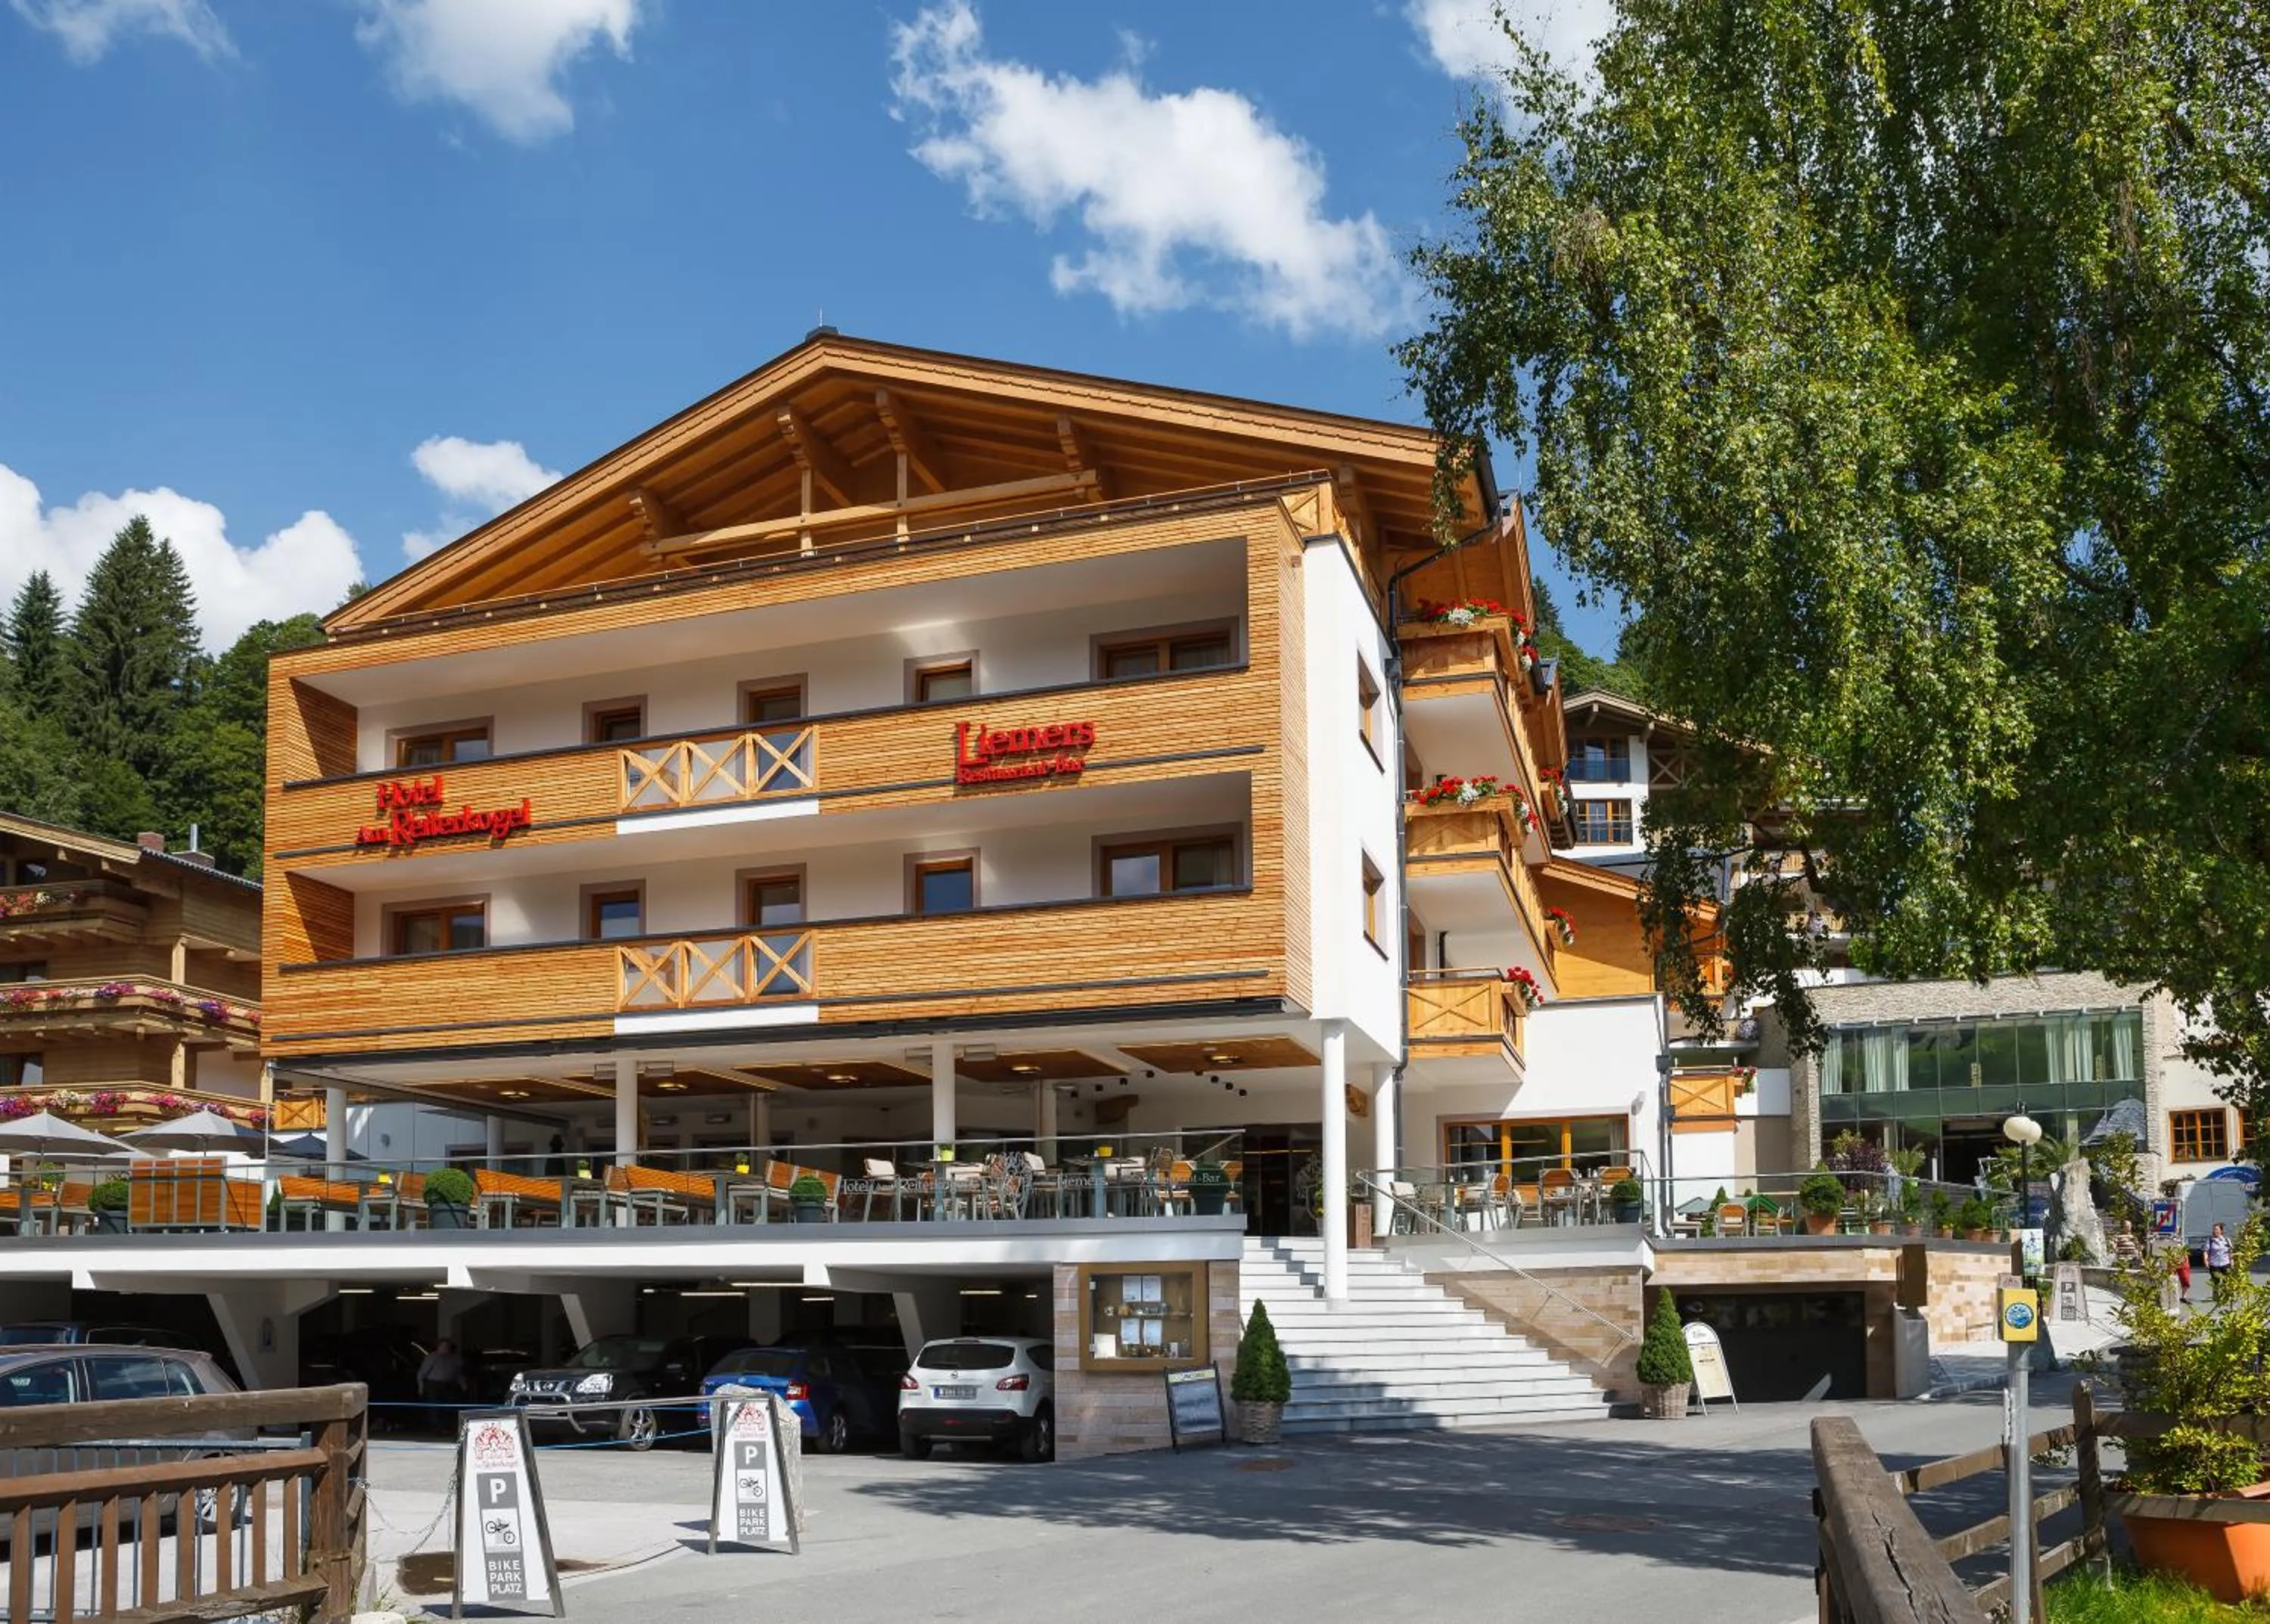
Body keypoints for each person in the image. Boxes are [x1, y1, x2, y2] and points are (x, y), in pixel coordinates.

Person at [418, 1337, 466, 1429]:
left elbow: (459, 1373)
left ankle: (448, 1426)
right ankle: (436, 1427)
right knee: (435, 1407)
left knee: (450, 1406)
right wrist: (421, 1387)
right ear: (438, 1347)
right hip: (434, 1385)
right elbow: (422, 1373)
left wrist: (463, 1384)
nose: (445, 1348)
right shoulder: (432, 1357)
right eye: (443, 1346)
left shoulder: (454, 1358)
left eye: (447, 1346)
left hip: (449, 1384)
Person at [2206, 1221, 2235, 1299]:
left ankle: (2227, 1296)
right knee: (2216, 1281)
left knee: (2227, 1281)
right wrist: (2206, 1261)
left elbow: (2230, 1251)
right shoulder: (2211, 1240)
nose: (2215, 1231)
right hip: (2214, 1264)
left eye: (2217, 1229)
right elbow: (2206, 1251)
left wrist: (2232, 1262)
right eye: (2214, 1230)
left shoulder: (2227, 1240)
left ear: (2221, 1231)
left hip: (2225, 1263)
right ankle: (2216, 1297)